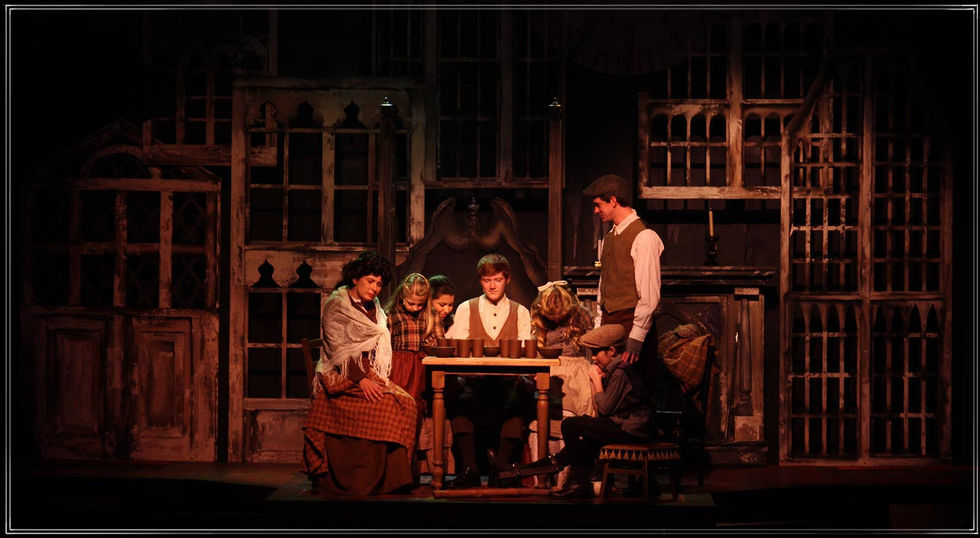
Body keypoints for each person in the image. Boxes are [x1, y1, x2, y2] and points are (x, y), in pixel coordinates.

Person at [302, 251, 418, 495]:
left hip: (369, 372)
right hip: (341, 377)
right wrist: (362, 380)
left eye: (379, 284)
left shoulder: (374, 306)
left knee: (407, 404)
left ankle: (395, 477)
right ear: (355, 279)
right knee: (387, 407)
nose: (375, 288)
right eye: (370, 281)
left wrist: (371, 376)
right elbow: (339, 350)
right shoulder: (337, 306)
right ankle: (364, 479)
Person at [495, 324, 655, 499]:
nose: (593, 357)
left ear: (611, 351)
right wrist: (595, 383)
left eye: (597, 352)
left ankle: (579, 483)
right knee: (574, 451)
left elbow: (604, 410)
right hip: (622, 426)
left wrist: (596, 382)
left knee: (570, 424)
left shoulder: (620, 373)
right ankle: (513, 472)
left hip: (632, 430)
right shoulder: (613, 370)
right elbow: (601, 411)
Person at [444, 253, 533, 488]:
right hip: (475, 383)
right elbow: (458, 348)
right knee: (459, 401)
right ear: (480, 281)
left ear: (507, 279)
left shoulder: (520, 312)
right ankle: (470, 470)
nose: (492, 286)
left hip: (506, 384)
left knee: (517, 402)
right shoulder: (466, 308)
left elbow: (525, 351)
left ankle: (501, 469)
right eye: (487, 280)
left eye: (497, 280)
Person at [583, 174, 665, 383]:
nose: (595, 211)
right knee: (610, 385)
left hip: (631, 325)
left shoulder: (643, 237)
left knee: (634, 388)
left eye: (598, 205)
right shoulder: (610, 238)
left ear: (613, 201)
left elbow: (649, 296)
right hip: (610, 325)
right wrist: (599, 328)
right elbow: (604, 287)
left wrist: (636, 338)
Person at [385, 272, 437, 407]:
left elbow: (438, 340)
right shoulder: (392, 314)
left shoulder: (429, 314)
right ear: (403, 296)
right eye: (411, 303)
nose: (415, 308)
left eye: (420, 305)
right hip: (399, 363)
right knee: (399, 398)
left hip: (420, 363)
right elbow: (385, 343)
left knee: (417, 399)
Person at [529, 280, 594, 357]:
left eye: (560, 317)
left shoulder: (581, 315)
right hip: (549, 362)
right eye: (551, 318)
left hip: (577, 361)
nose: (556, 321)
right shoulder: (539, 318)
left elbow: (591, 348)